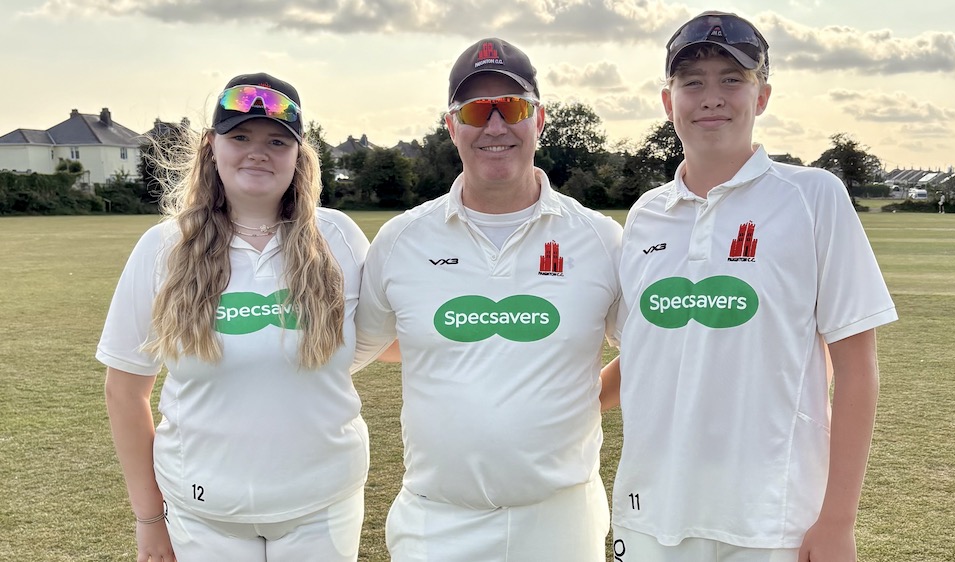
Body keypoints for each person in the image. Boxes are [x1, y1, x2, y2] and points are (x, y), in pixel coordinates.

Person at [600, 12, 898, 562]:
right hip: (649, 516)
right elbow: (650, 347)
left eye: (731, 79)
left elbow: (857, 367)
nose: (711, 96)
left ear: (761, 96)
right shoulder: (645, 215)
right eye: (692, 82)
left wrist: (837, 521)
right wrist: (568, 405)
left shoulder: (813, 197)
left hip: (771, 519)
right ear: (669, 102)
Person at [353, 38, 622, 561]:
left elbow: (652, 348)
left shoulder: (599, 239)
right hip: (436, 520)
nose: (495, 126)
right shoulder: (403, 239)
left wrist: (580, 400)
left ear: (539, 119)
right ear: (452, 125)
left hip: (561, 518)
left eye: (513, 107)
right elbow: (355, 348)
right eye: (477, 110)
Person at [98, 73, 381, 562]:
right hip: (203, 512)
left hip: (323, 506)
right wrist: (149, 520)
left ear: (299, 155)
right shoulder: (163, 249)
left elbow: (373, 337)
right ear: (211, 148)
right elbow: (125, 389)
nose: (259, 152)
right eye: (240, 137)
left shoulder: (340, 238)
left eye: (277, 140)